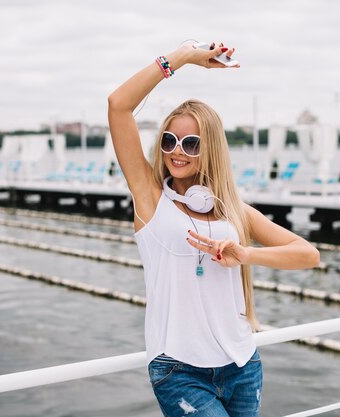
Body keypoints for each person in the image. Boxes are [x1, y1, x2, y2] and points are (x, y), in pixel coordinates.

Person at [108, 42, 320, 417]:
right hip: (179, 369)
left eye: (191, 143)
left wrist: (245, 254)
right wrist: (184, 57)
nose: (178, 151)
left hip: (241, 365)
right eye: (170, 140)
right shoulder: (151, 199)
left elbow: (309, 254)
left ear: (210, 149)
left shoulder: (235, 212)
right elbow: (119, 105)